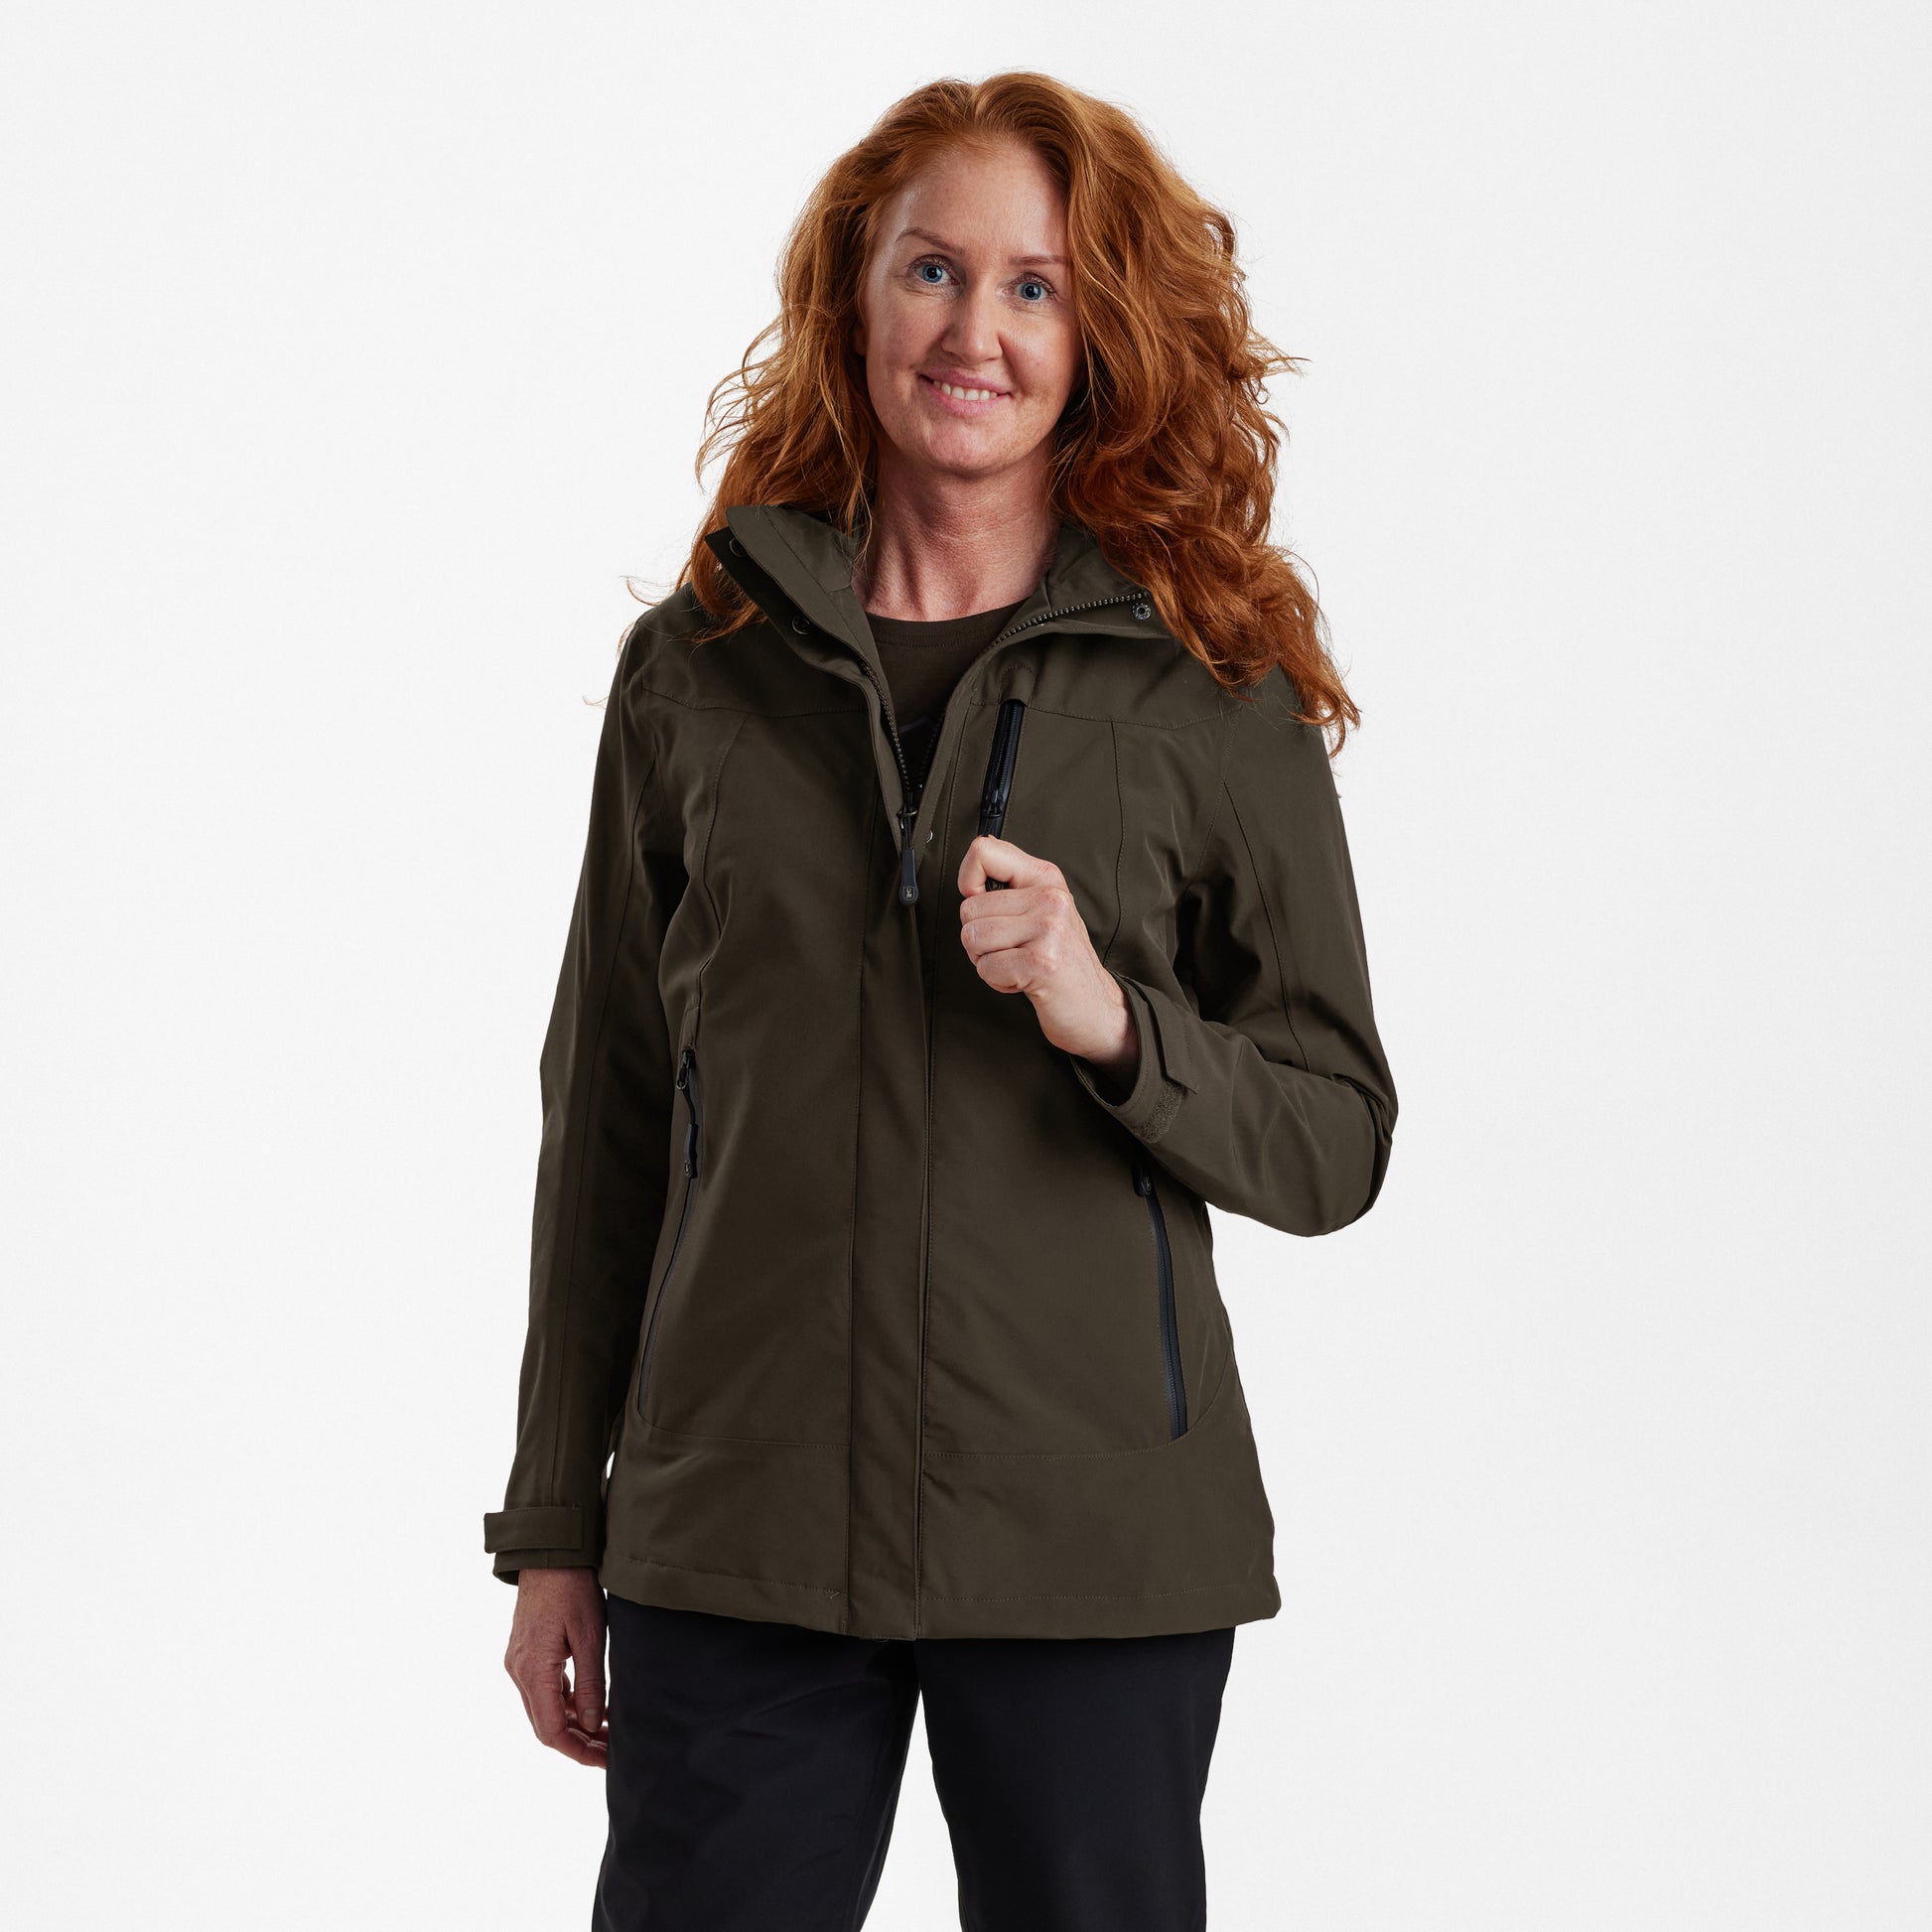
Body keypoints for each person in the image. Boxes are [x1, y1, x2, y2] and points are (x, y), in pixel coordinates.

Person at [483, 69, 1397, 1932]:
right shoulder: (697, 672)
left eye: (1034, 286)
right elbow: (611, 1123)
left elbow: (1334, 1135)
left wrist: (1110, 1017)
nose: (975, 330)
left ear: (1098, 333)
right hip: (738, 1529)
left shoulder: (1207, 686)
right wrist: (557, 1529)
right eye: (931, 269)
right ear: (854, 296)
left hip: (1090, 1539)